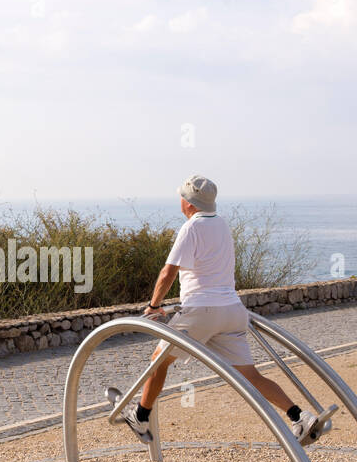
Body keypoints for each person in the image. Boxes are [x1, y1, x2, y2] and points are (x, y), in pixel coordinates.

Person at [111, 175, 329, 446]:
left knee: (159, 360)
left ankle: (141, 416)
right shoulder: (223, 225)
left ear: (188, 203)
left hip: (202, 311)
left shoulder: (191, 228)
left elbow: (168, 272)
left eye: (181, 197)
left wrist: (153, 306)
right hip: (232, 311)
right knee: (250, 375)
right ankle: (299, 416)